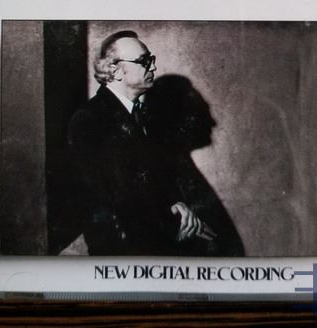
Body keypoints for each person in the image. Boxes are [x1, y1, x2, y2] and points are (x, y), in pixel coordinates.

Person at [67, 30, 215, 255]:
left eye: (151, 60)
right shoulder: (90, 119)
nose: (153, 67)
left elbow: (150, 182)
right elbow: (110, 203)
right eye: (144, 61)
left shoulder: (141, 116)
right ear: (116, 70)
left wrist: (176, 203)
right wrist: (172, 223)